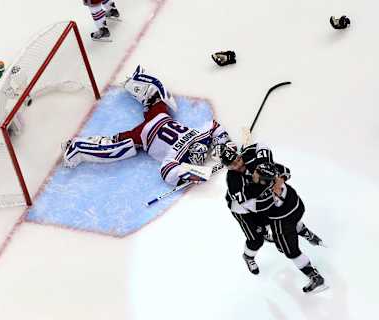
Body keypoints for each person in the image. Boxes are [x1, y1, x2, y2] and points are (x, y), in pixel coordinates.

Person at [62, 65, 232, 186]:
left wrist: (221, 146)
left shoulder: (197, 139)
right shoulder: (179, 153)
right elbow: (166, 171)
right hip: (145, 134)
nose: (200, 160)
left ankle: (137, 82)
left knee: (156, 100)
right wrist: (222, 146)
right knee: (116, 147)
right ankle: (77, 147)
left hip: (158, 120)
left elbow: (213, 126)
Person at [220, 142, 326, 293]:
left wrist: (275, 176)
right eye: (233, 164)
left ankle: (296, 237)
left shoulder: (255, 163)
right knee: (256, 239)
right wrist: (274, 186)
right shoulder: (234, 181)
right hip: (242, 210)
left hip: (272, 208)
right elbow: (254, 206)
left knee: (284, 235)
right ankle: (248, 257)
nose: (238, 165)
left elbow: (282, 169)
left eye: (238, 160)